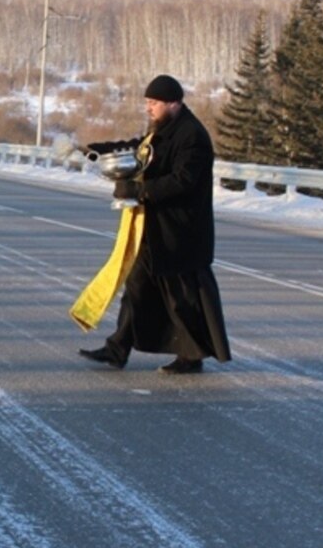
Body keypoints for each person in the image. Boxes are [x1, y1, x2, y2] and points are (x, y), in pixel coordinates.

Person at [78, 74, 231, 374]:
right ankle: (117, 349)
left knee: (181, 298)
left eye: (154, 103)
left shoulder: (192, 136)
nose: (149, 108)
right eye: (147, 102)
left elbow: (183, 181)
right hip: (156, 229)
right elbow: (139, 150)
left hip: (181, 233)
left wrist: (140, 191)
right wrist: (101, 149)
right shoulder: (164, 130)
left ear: (173, 103)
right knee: (136, 286)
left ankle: (192, 356)